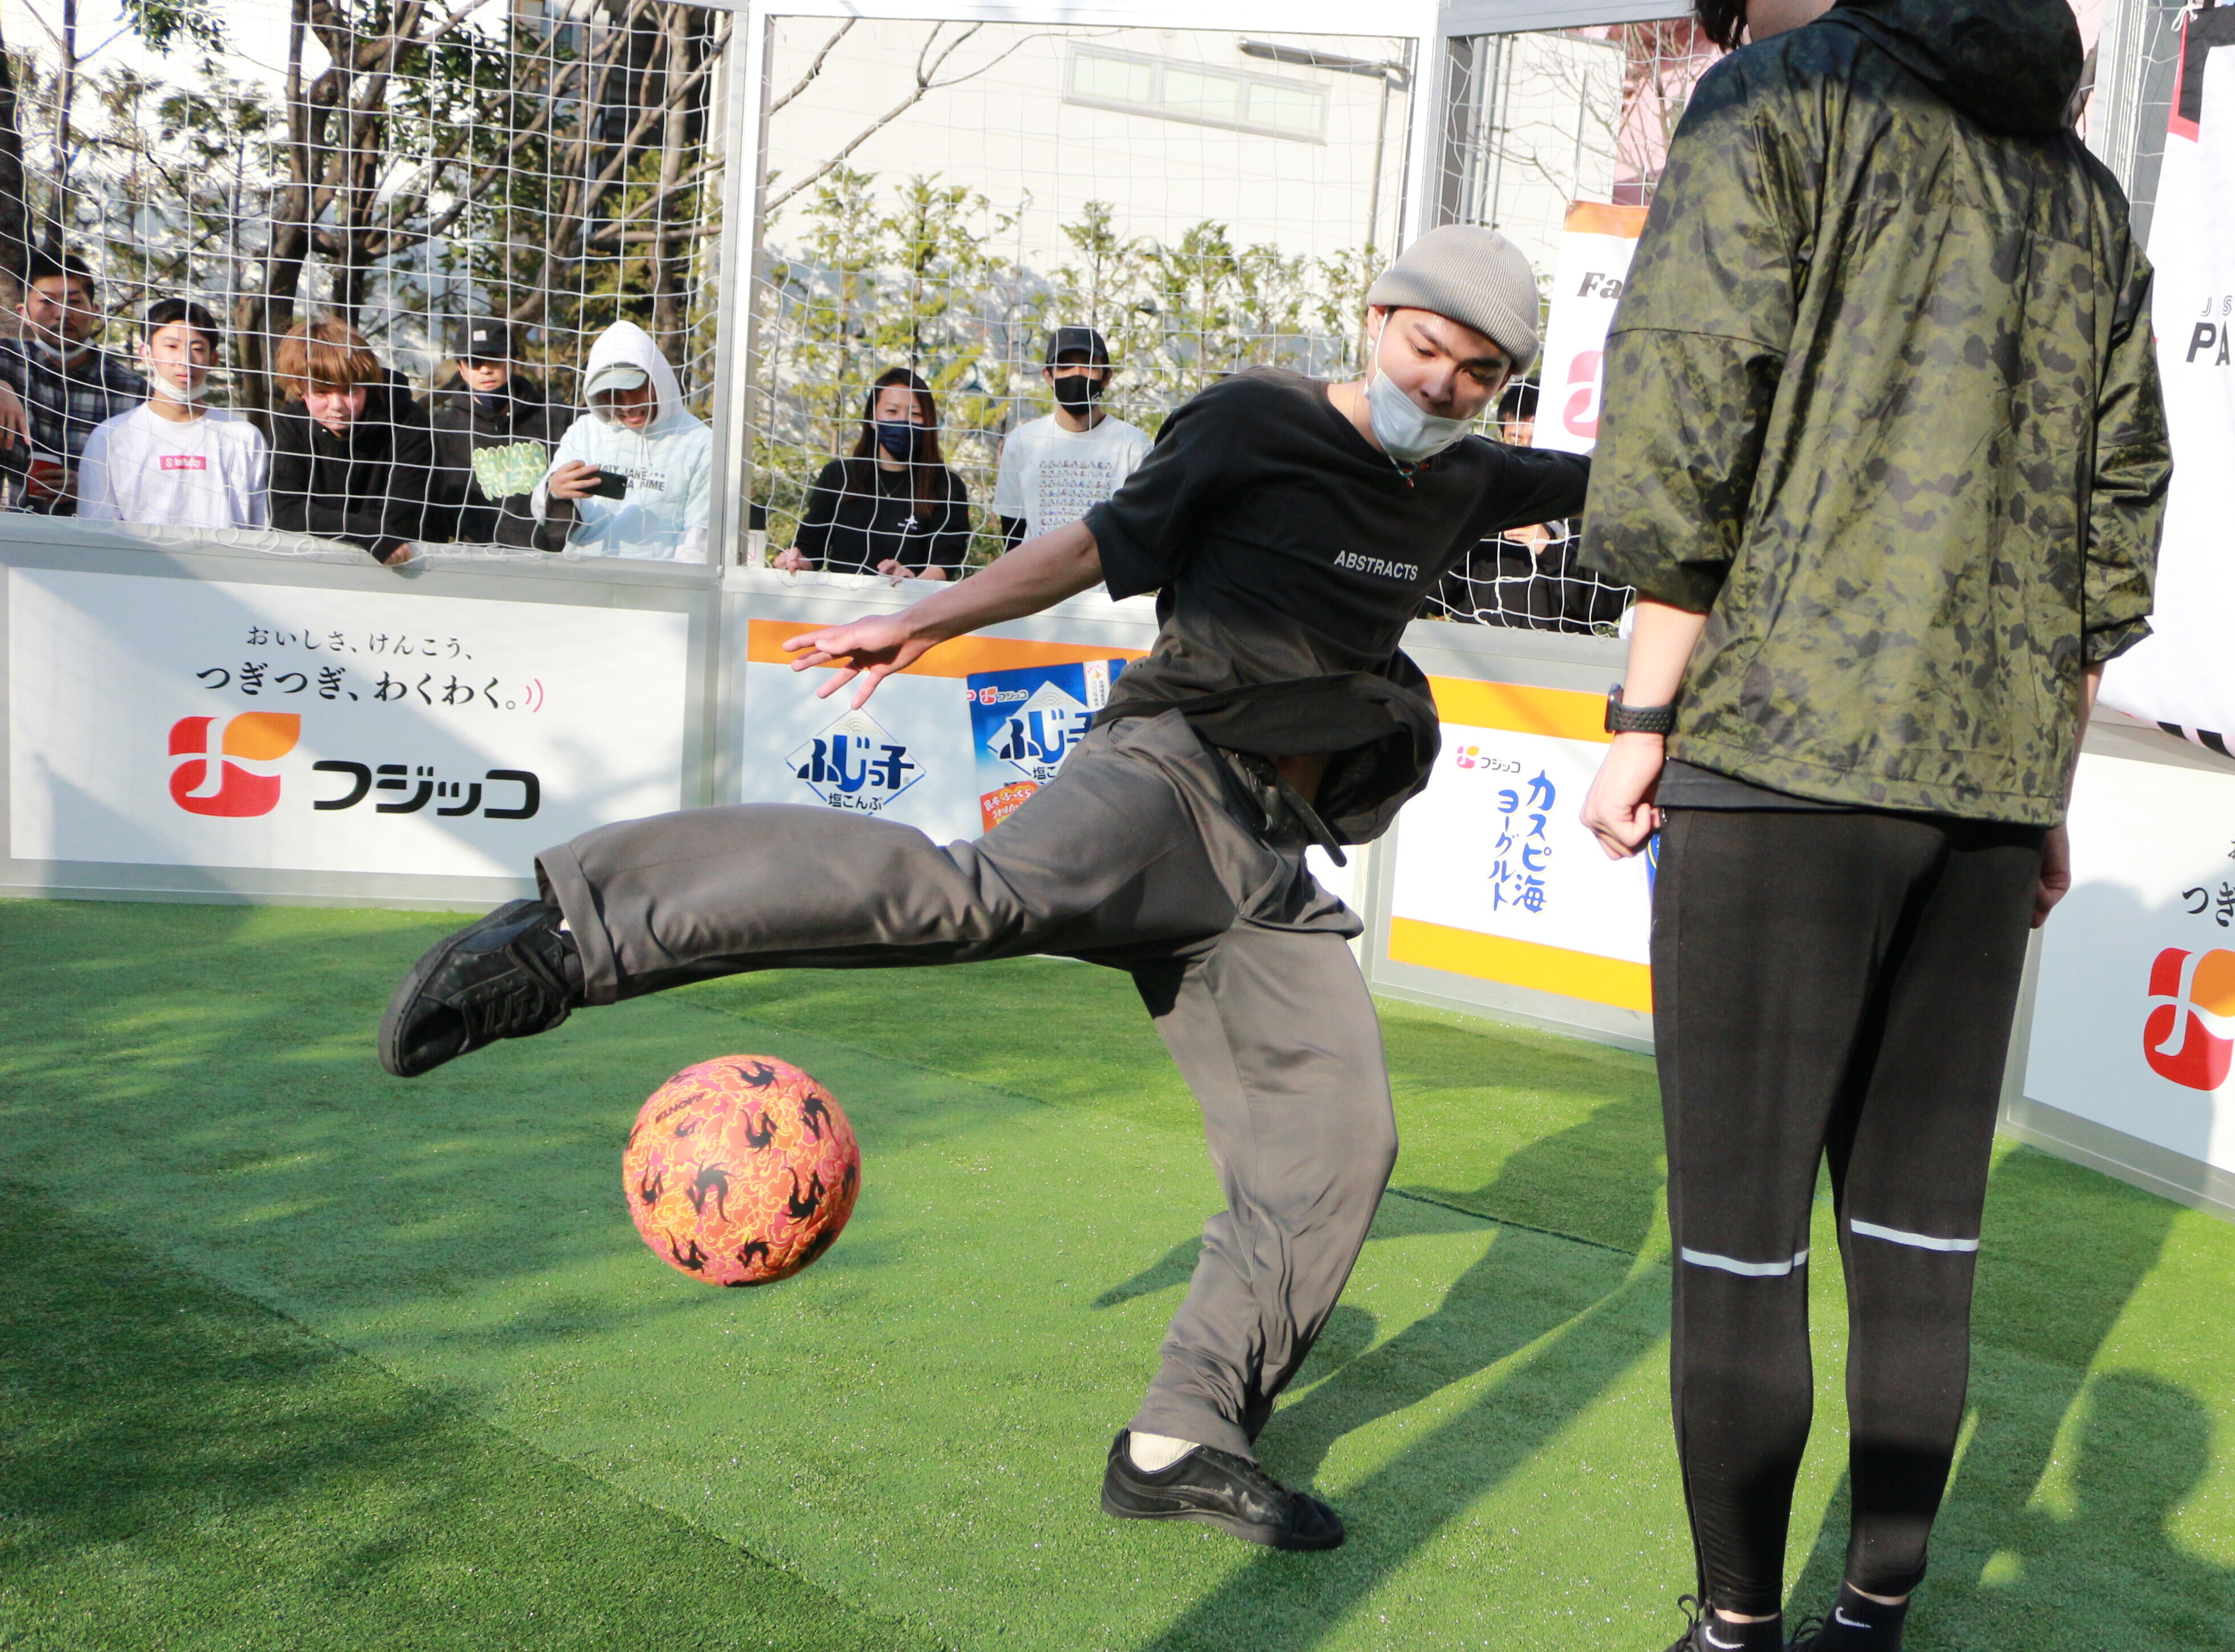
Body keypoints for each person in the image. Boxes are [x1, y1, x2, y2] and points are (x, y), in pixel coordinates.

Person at [376, 226, 1584, 1554]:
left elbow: (1660, 482)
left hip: (1267, 861)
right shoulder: (1255, 421)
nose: (1444, 386)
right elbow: (1098, 542)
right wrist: (932, 616)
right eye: (1426, 349)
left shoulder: (1467, 475)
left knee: (1339, 1139)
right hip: (1166, 775)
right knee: (972, 897)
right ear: (1375, 316)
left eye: (1479, 372)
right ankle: (570, 933)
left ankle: (1183, 1431)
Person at [1573, 0, 2167, 1652]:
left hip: (1785, 743)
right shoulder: (2083, 187)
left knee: (1739, 1240)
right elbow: (2113, 509)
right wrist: (2043, 774)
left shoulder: (1779, 97)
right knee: (1923, 1245)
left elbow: (1688, 409)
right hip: (1988, 780)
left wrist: (1638, 712)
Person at [1429, 379, 1632, 633]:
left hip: (1554, 663)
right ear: (1501, 436)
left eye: (1534, 439)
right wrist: (1462, 535)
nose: (1525, 450)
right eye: (1516, 438)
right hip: (1476, 660)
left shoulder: (1586, 503)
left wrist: (1549, 548)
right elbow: (1433, 599)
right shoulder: (1475, 495)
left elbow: (1606, 607)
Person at [75, 298, 269, 529]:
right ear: (146, 354)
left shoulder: (243, 436)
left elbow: (260, 527)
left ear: (213, 359)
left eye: (197, 349)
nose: (185, 360)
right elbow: (97, 529)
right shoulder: (111, 437)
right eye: (171, 347)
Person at [533, 321, 712, 561]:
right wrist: (554, 491)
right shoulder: (585, 431)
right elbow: (543, 514)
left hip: (658, 586)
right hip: (582, 577)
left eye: (637, 389)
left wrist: (677, 591)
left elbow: (698, 539)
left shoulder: (699, 442)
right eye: (613, 394)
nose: (628, 406)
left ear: (658, 380)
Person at [777, 366, 976, 579]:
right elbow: (812, 544)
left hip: (913, 606)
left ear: (928, 422)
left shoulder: (946, 485)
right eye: (892, 412)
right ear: (873, 418)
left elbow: (947, 557)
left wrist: (914, 581)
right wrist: (797, 559)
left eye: (915, 414)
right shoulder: (838, 476)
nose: (904, 421)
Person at [267, 316, 432, 568]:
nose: (337, 406)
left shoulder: (408, 422)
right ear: (300, 390)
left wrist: (362, 533)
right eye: (322, 392)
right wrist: (366, 532)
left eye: (349, 391)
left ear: (368, 384)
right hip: (313, 565)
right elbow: (286, 511)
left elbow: (401, 517)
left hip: (402, 568)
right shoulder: (290, 425)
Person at [0, 255, 154, 515]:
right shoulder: (8, 360)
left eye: (74, 302)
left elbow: (154, 479)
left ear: (95, 310)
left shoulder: (132, 390)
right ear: (23, 314)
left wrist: (92, 485)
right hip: (13, 536)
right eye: (47, 302)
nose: (62, 314)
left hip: (97, 540)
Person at [990, 325, 1151, 549]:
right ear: (1049, 376)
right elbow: (1012, 532)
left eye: (1088, 365)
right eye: (1065, 366)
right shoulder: (1023, 442)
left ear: (1107, 377)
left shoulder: (1134, 445)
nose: (1077, 373)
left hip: (1106, 583)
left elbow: (1142, 529)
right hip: (1039, 581)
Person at [427, 316, 576, 550]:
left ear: (515, 362)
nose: (485, 369)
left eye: (494, 359)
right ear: (462, 370)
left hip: (554, 561)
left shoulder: (559, 419)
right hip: (475, 566)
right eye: (474, 362)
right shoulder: (440, 431)